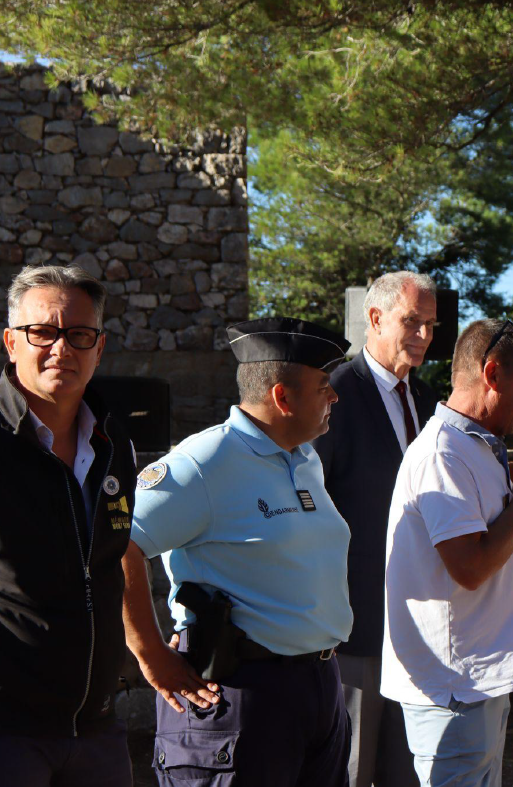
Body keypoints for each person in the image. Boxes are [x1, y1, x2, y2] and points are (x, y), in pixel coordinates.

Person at [123, 317, 354, 787]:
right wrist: (148, 652)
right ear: (282, 398)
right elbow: (112, 547)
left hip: (320, 686)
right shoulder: (203, 464)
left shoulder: (305, 458)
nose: (334, 397)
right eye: (323, 386)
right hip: (238, 692)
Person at [0, 264, 136, 786]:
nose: (61, 348)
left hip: (96, 732)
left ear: (100, 346)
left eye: (78, 334)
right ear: (10, 341)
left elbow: (119, 561)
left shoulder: (115, 449)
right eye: (42, 332)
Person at [380, 318, 513, 787]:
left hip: (477, 679)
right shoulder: (443, 455)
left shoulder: (475, 447)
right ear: (493, 374)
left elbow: (479, 542)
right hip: (454, 685)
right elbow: (469, 568)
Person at [314, 272, 437, 787]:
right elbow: (312, 507)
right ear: (375, 318)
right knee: (353, 768)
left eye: (431, 325)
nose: (425, 336)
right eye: (413, 321)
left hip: (420, 626)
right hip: (356, 627)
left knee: (406, 772)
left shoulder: (429, 401)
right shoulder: (335, 394)